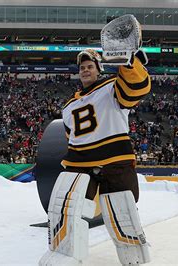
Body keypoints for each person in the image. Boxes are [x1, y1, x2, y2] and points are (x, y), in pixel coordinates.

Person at [41, 48, 151, 265]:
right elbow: (69, 135)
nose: (85, 70)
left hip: (114, 158)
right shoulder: (68, 105)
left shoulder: (112, 86)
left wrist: (129, 64)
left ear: (98, 69)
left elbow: (138, 88)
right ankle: (65, 255)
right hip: (79, 161)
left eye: (90, 67)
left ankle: (134, 257)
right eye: (82, 68)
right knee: (66, 208)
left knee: (122, 211)